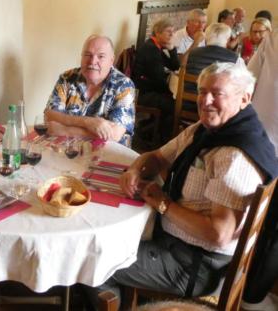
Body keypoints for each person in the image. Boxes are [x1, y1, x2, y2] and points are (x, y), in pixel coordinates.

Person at [84, 62, 278, 310]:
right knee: (105, 237)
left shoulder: (233, 156)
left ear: (244, 98)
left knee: (93, 262)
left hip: (196, 266)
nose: (205, 101)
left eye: (217, 94)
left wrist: (163, 204)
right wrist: (135, 169)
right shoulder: (207, 129)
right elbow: (157, 157)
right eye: (201, 91)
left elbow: (219, 234)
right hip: (178, 244)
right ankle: (132, 295)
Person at [242, 31, 278, 311]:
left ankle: (238, 280)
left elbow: (248, 76)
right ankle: (252, 296)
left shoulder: (276, 34)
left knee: (251, 212)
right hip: (266, 139)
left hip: (258, 139)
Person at [45, 35, 135, 146]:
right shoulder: (67, 78)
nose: (92, 61)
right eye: (87, 55)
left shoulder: (123, 85)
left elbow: (114, 134)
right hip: (68, 151)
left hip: (108, 155)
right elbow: (50, 115)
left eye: (101, 56)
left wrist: (65, 130)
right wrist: (88, 122)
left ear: (111, 60)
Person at [132, 18, 180, 142]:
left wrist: (172, 49)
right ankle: (160, 139)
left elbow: (175, 66)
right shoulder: (151, 49)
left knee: (171, 99)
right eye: (168, 31)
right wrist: (169, 91)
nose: (172, 35)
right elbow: (158, 79)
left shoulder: (156, 46)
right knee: (175, 105)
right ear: (157, 33)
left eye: (173, 32)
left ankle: (150, 129)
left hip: (149, 89)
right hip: (142, 93)